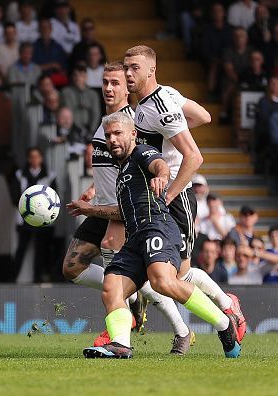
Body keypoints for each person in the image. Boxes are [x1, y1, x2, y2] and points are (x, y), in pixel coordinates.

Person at [70, 112, 241, 359]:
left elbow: (159, 164)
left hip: (157, 227)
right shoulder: (123, 175)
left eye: (118, 133)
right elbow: (123, 212)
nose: (112, 139)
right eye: (108, 135)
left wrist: (161, 176)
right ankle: (120, 345)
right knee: (111, 286)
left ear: (133, 134)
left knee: (162, 280)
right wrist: (89, 210)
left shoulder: (140, 153)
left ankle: (224, 325)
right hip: (135, 237)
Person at [62, 62, 194, 354]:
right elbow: (115, 163)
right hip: (99, 205)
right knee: (71, 267)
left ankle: (167, 330)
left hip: (123, 211)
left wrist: (162, 178)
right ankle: (133, 305)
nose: (109, 89)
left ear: (128, 87)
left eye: (116, 83)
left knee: (127, 275)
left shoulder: (133, 123)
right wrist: (95, 188)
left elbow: (146, 161)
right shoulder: (107, 121)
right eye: (105, 83)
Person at [123, 45, 246, 339]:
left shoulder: (161, 106)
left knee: (177, 276)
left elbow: (195, 157)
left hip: (176, 197)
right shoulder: (162, 96)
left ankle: (227, 307)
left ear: (151, 70)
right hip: (161, 194)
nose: (128, 73)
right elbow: (204, 116)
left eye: (134, 68)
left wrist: (168, 196)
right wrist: (175, 131)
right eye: (126, 67)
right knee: (165, 275)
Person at [8, 147, 56, 282]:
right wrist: (26, 207)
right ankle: (12, 278)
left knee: (41, 250)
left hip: (43, 220)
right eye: (32, 157)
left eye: (37, 157)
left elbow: (53, 196)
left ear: (41, 159)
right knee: (21, 249)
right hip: (24, 219)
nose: (35, 160)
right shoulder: (19, 175)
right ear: (29, 159)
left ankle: (38, 278)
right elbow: (14, 195)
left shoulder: (50, 175)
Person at [60, 65, 101, 133]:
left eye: (82, 76)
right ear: (72, 77)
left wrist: (92, 130)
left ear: (86, 77)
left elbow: (96, 114)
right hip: (70, 129)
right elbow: (67, 113)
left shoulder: (93, 94)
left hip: (90, 130)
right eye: (76, 75)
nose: (78, 78)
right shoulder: (65, 92)